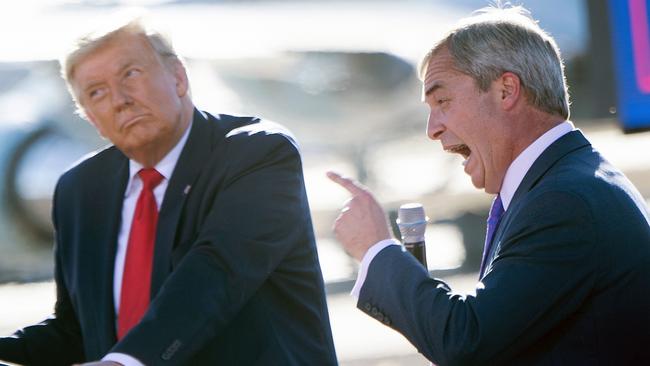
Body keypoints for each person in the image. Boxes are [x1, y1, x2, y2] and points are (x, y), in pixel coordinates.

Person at [0, 17, 337, 366]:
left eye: (130, 74)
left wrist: (126, 361)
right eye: (96, 92)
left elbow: (215, 276)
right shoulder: (80, 188)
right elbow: (77, 331)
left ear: (178, 77)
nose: (119, 100)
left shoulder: (257, 154)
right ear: (92, 119)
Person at [328, 5, 650, 365]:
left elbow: (466, 340)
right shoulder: (567, 180)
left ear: (506, 90)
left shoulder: (564, 201)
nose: (431, 129)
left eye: (443, 101)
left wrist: (377, 250)